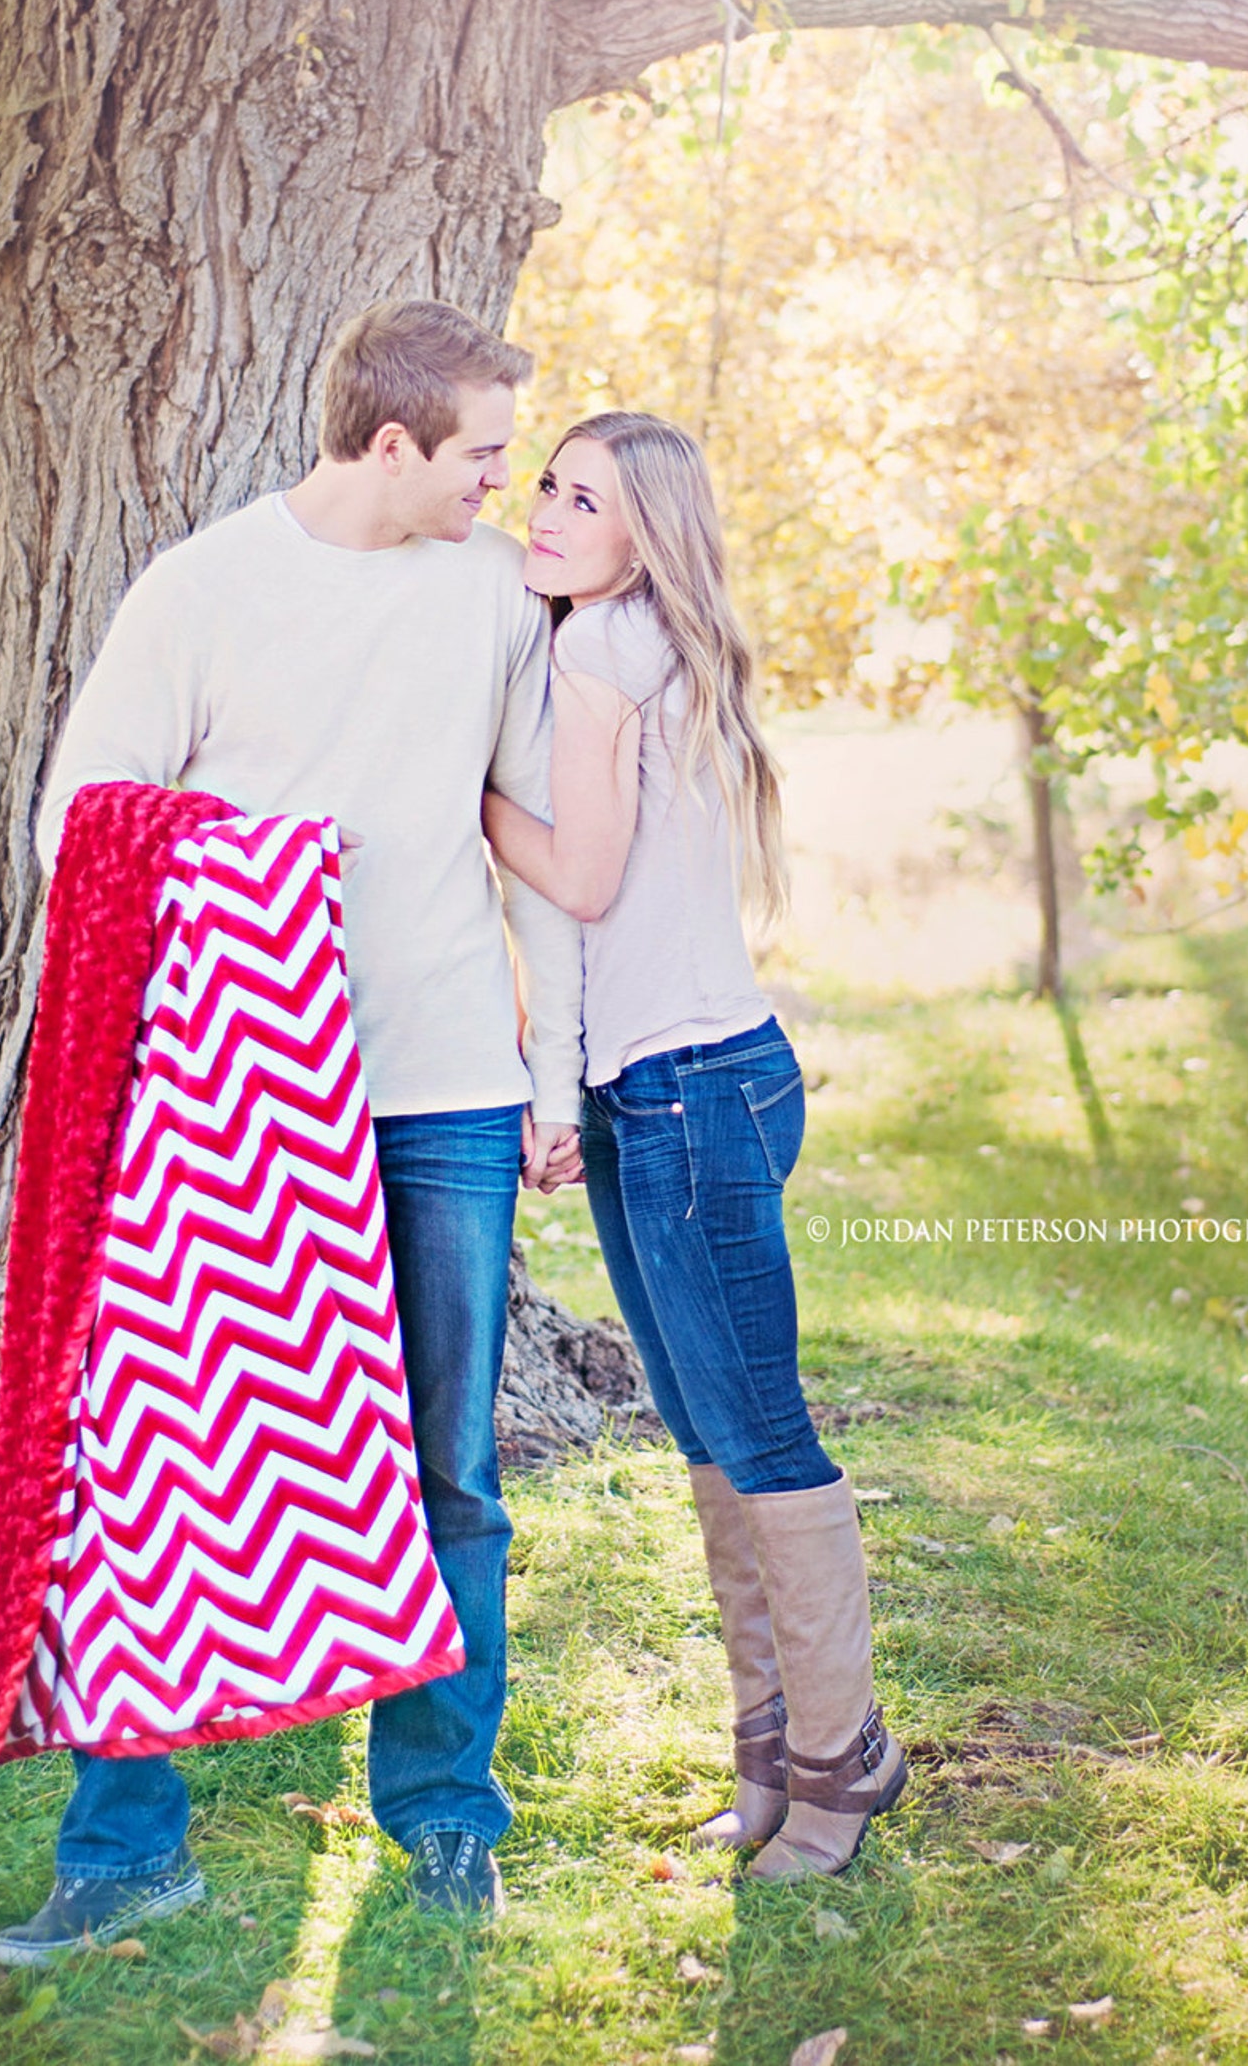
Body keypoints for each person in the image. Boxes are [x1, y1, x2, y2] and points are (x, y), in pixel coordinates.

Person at [0, 301, 583, 1963]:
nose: (501, 485)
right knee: (168, 1464)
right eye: (479, 453)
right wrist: (256, 873)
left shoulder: (487, 596)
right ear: (391, 446)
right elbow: (80, 815)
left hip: (445, 1086)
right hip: (240, 1104)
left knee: (450, 1469)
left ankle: (448, 1821)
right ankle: (125, 1850)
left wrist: (555, 1077)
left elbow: (527, 832)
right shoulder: (206, 588)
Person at [481, 411, 907, 1882]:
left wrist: (457, 795)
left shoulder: (604, 649)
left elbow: (580, 881)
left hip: (691, 1095)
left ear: (641, 533)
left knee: (758, 1433)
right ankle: (772, 1760)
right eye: (546, 482)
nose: (545, 510)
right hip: (661, 1088)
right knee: (713, 1436)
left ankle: (844, 1764)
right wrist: (561, 1092)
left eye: (582, 499)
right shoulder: (635, 637)